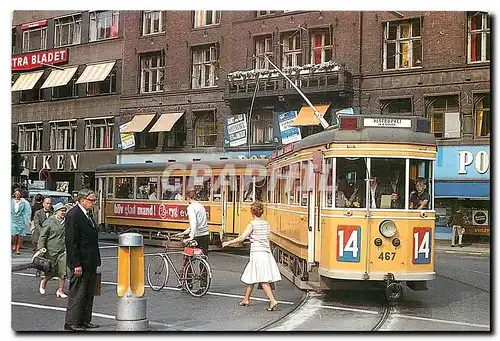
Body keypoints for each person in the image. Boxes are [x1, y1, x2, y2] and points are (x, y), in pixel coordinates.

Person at [222, 202, 281, 311]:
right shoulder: (266, 224)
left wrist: (228, 243)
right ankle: (246, 299)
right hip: (266, 252)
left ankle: (272, 300)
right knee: (252, 276)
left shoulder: (252, 224)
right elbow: (267, 240)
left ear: (252, 212)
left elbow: (242, 238)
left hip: (257, 253)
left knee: (263, 279)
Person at [64, 189, 101, 331]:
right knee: (77, 292)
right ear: (81, 200)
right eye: (91, 200)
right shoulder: (74, 215)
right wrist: (76, 264)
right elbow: (71, 242)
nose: (94, 203)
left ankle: (85, 320)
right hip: (80, 262)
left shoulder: (87, 215)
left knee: (88, 293)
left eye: (94, 200)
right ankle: (72, 322)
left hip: (90, 260)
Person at [38, 202, 68, 298]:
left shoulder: (67, 222)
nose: (63, 213)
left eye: (64, 211)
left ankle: (60, 290)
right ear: (56, 212)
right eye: (62, 211)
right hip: (51, 251)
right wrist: (41, 248)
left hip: (63, 250)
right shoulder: (49, 222)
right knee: (51, 272)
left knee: (62, 272)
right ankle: (44, 282)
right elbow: (43, 236)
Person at [174, 188, 209, 256]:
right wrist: (184, 232)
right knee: (203, 256)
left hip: (197, 236)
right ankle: (205, 266)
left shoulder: (191, 207)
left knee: (188, 254)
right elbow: (198, 223)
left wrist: (191, 237)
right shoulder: (201, 206)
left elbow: (194, 223)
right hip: (205, 235)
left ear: (188, 198)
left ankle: (188, 266)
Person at [11, 188, 31, 255]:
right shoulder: (11, 201)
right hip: (13, 219)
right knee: (14, 234)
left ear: (20, 195)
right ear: (14, 194)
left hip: (20, 219)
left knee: (20, 235)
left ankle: (17, 249)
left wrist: (28, 220)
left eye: (18, 194)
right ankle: (14, 244)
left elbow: (26, 212)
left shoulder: (23, 203)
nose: (17, 195)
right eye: (16, 193)